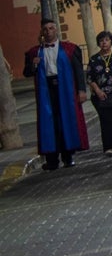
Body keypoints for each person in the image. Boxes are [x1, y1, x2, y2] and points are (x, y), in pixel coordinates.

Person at [24, 19, 88, 171]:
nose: (48, 31)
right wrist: (33, 64)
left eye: (51, 28)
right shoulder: (34, 52)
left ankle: (68, 157)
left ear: (56, 30)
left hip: (66, 89)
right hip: (46, 90)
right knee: (49, 124)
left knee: (66, 121)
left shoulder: (70, 49)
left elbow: (79, 71)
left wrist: (81, 90)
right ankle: (52, 160)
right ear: (42, 32)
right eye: (45, 29)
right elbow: (27, 72)